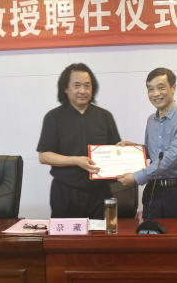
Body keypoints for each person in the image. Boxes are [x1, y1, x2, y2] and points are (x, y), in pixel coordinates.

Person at [37, 63, 121, 219]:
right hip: (66, 192)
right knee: (67, 235)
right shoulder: (53, 117)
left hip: (99, 193)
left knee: (100, 234)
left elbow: (116, 151)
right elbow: (44, 156)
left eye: (87, 86)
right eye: (77, 85)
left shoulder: (104, 116)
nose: (83, 91)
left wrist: (126, 151)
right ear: (65, 88)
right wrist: (76, 160)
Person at [117, 67, 177, 218]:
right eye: (150, 89)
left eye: (161, 87)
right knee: (150, 232)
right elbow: (152, 152)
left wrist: (136, 177)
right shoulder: (151, 120)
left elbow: (170, 157)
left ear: (173, 88)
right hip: (154, 190)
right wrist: (134, 149)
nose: (155, 94)